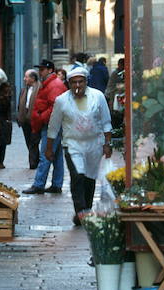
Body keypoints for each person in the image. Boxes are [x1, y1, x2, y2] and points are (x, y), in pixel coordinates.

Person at [45, 67, 112, 226]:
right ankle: (80, 210)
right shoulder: (61, 100)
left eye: (80, 81)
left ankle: (87, 209)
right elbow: (53, 126)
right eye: (73, 82)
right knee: (77, 176)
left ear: (86, 81)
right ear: (68, 83)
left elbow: (106, 121)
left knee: (89, 178)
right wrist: (49, 148)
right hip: (72, 144)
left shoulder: (98, 96)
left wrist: (107, 143)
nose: (77, 85)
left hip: (94, 144)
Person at [24, 59, 66, 194]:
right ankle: (56, 184)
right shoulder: (50, 84)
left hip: (51, 125)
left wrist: (41, 117)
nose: (40, 72)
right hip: (53, 124)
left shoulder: (54, 85)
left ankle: (39, 184)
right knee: (57, 155)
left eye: (42, 69)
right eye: (39, 69)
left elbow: (55, 107)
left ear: (50, 70)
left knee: (46, 154)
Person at [17, 69, 41, 169]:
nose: (24, 79)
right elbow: (20, 104)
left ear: (33, 78)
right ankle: (36, 159)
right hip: (25, 118)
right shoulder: (24, 89)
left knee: (34, 141)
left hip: (35, 118)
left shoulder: (40, 88)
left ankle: (33, 163)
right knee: (28, 141)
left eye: (26, 77)